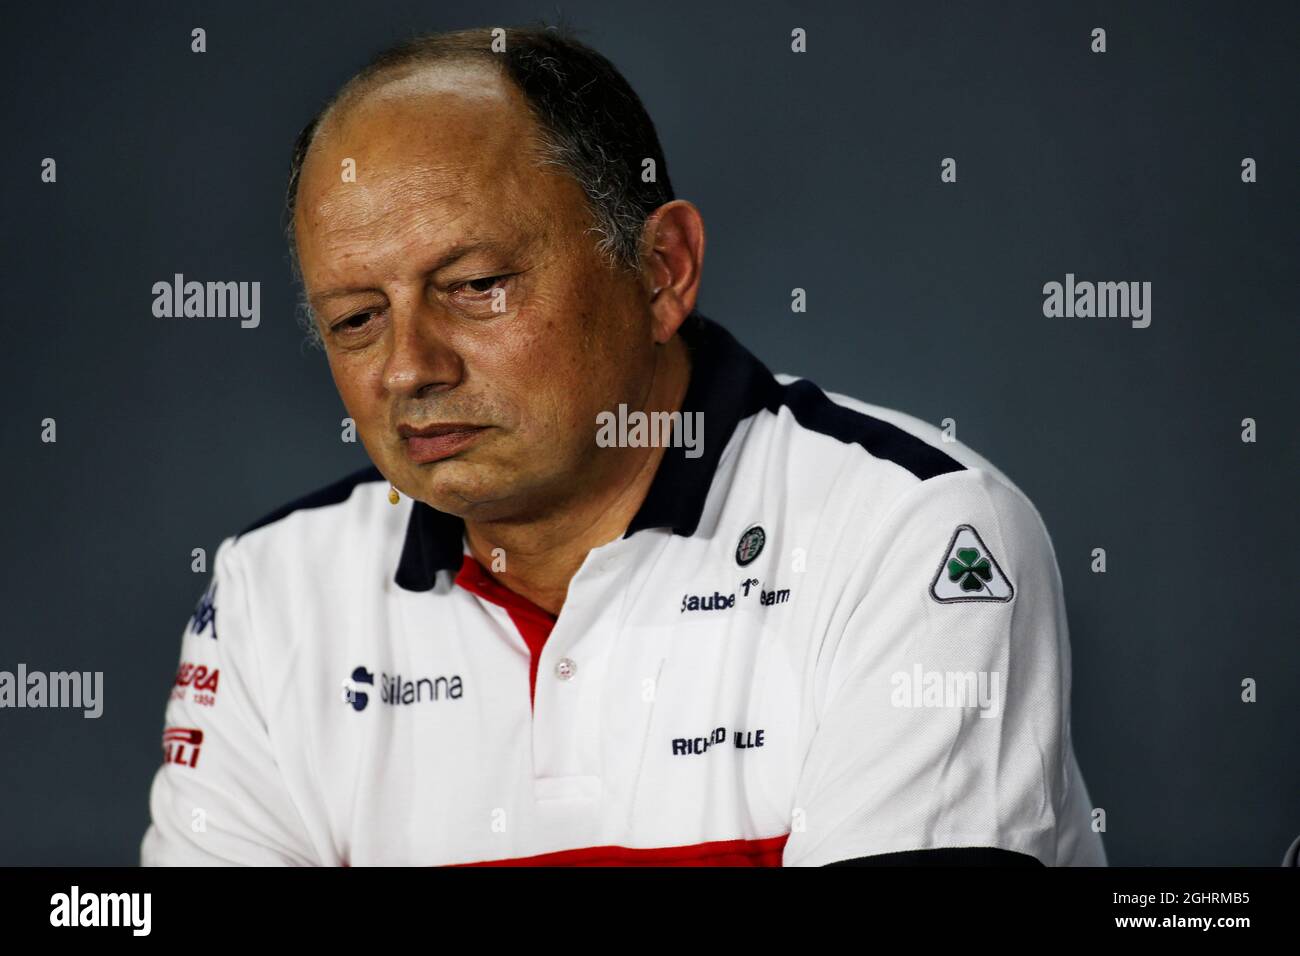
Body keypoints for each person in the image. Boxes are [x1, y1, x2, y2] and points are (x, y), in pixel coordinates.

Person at [141, 25, 1106, 867]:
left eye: (476, 285)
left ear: (660, 270)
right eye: (356, 318)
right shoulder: (271, 593)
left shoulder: (909, 531)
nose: (408, 368)